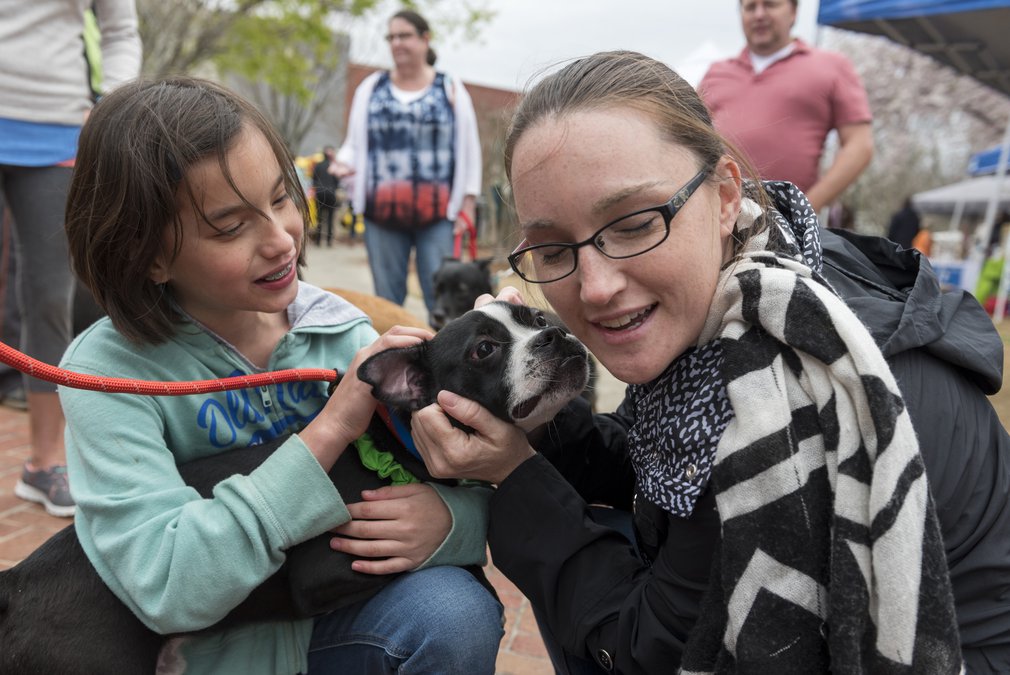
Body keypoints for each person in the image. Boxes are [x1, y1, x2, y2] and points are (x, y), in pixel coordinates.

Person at [409, 51, 1010, 673]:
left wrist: (515, 481)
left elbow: (644, 649)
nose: (594, 288)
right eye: (554, 247)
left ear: (724, 195)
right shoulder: (758, 276)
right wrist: (530, 411)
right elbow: (651, 467)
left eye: (636, 223)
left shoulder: (779, 391)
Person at [59, 76, 502, 674]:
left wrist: (451, 522)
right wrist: (327, 432)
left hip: (333, 624)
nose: (279, 239)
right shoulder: (106, 375)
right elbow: (167, 585)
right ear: (149, 253)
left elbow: (472, 479)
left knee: (455, 614)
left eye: (281, 198)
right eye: (230, 226)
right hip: (208, 654)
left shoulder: (343, 333)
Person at [0, 0, 141, 517]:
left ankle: (42, 463)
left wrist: (108, 105)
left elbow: (121, 30)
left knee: (49, 298)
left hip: (59, 130)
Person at [333, 9, 482, 322]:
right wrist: (344, 164)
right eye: (391, 37)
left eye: (404, 36)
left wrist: (467, 202)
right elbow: (355, 144)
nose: (397, 43)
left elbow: (469, 147)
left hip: (438, 215)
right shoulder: (372, 87)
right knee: (387, 302)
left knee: (443, 299)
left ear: (425, 39)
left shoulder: (449, 87)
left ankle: (447, 365)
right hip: (382, 214)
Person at [698, 0, 874, 213]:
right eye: (750, 7)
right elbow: (693, 142)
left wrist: (807, 206)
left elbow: (860, 145)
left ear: (794, 12)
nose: (759, 15)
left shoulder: (831, 66)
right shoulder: (716, 73)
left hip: (790, 225)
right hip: (723, 217)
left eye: (770, 5)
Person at [311, 145, 341, 246]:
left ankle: (318, 241)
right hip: (331, 192)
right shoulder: (333, 166)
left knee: (319, 217)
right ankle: (329, 241)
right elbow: (337, 181)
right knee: (330, 218)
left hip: (319, 192)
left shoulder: (318, 165)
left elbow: (314, 179)